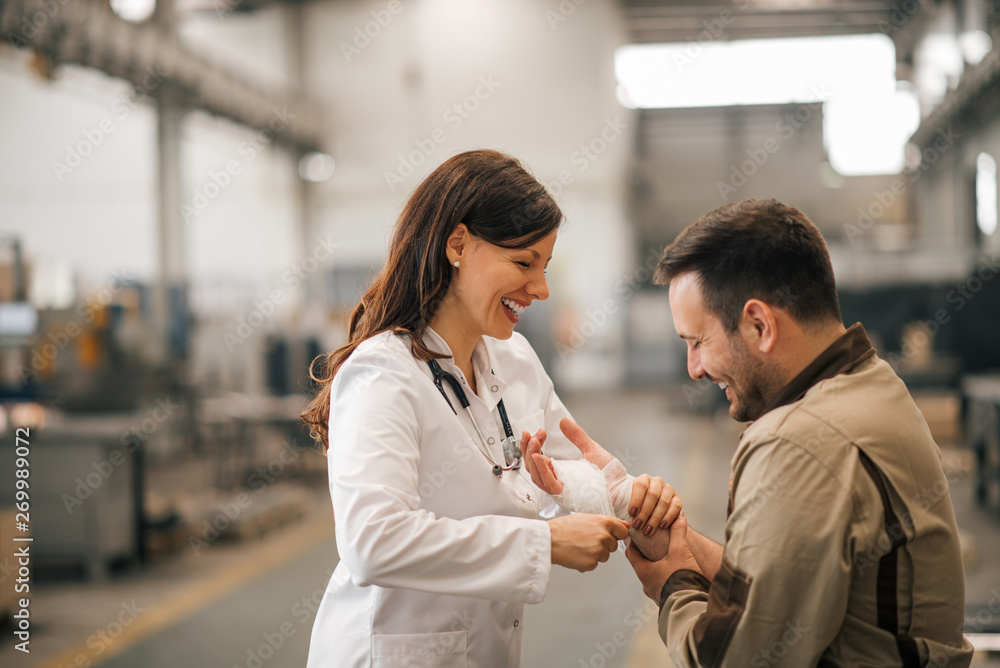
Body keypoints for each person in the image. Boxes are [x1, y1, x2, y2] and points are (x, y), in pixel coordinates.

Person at [535, 199, 974, 666]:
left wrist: (673, 584)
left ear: (760, 324)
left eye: (698, 342)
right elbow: (780, 587)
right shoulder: (870, 383)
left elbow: (733, 660)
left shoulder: (799, 441)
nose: (694, 369)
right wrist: (671, 535)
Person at [300, 149, 680, 668]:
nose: (541, 289)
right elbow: (373, 541)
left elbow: (572, 470)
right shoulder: (383, 375)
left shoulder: (514, 358)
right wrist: (541, 541)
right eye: (523, 263)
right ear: (458, 244)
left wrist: (628, 497)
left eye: (544, 267)